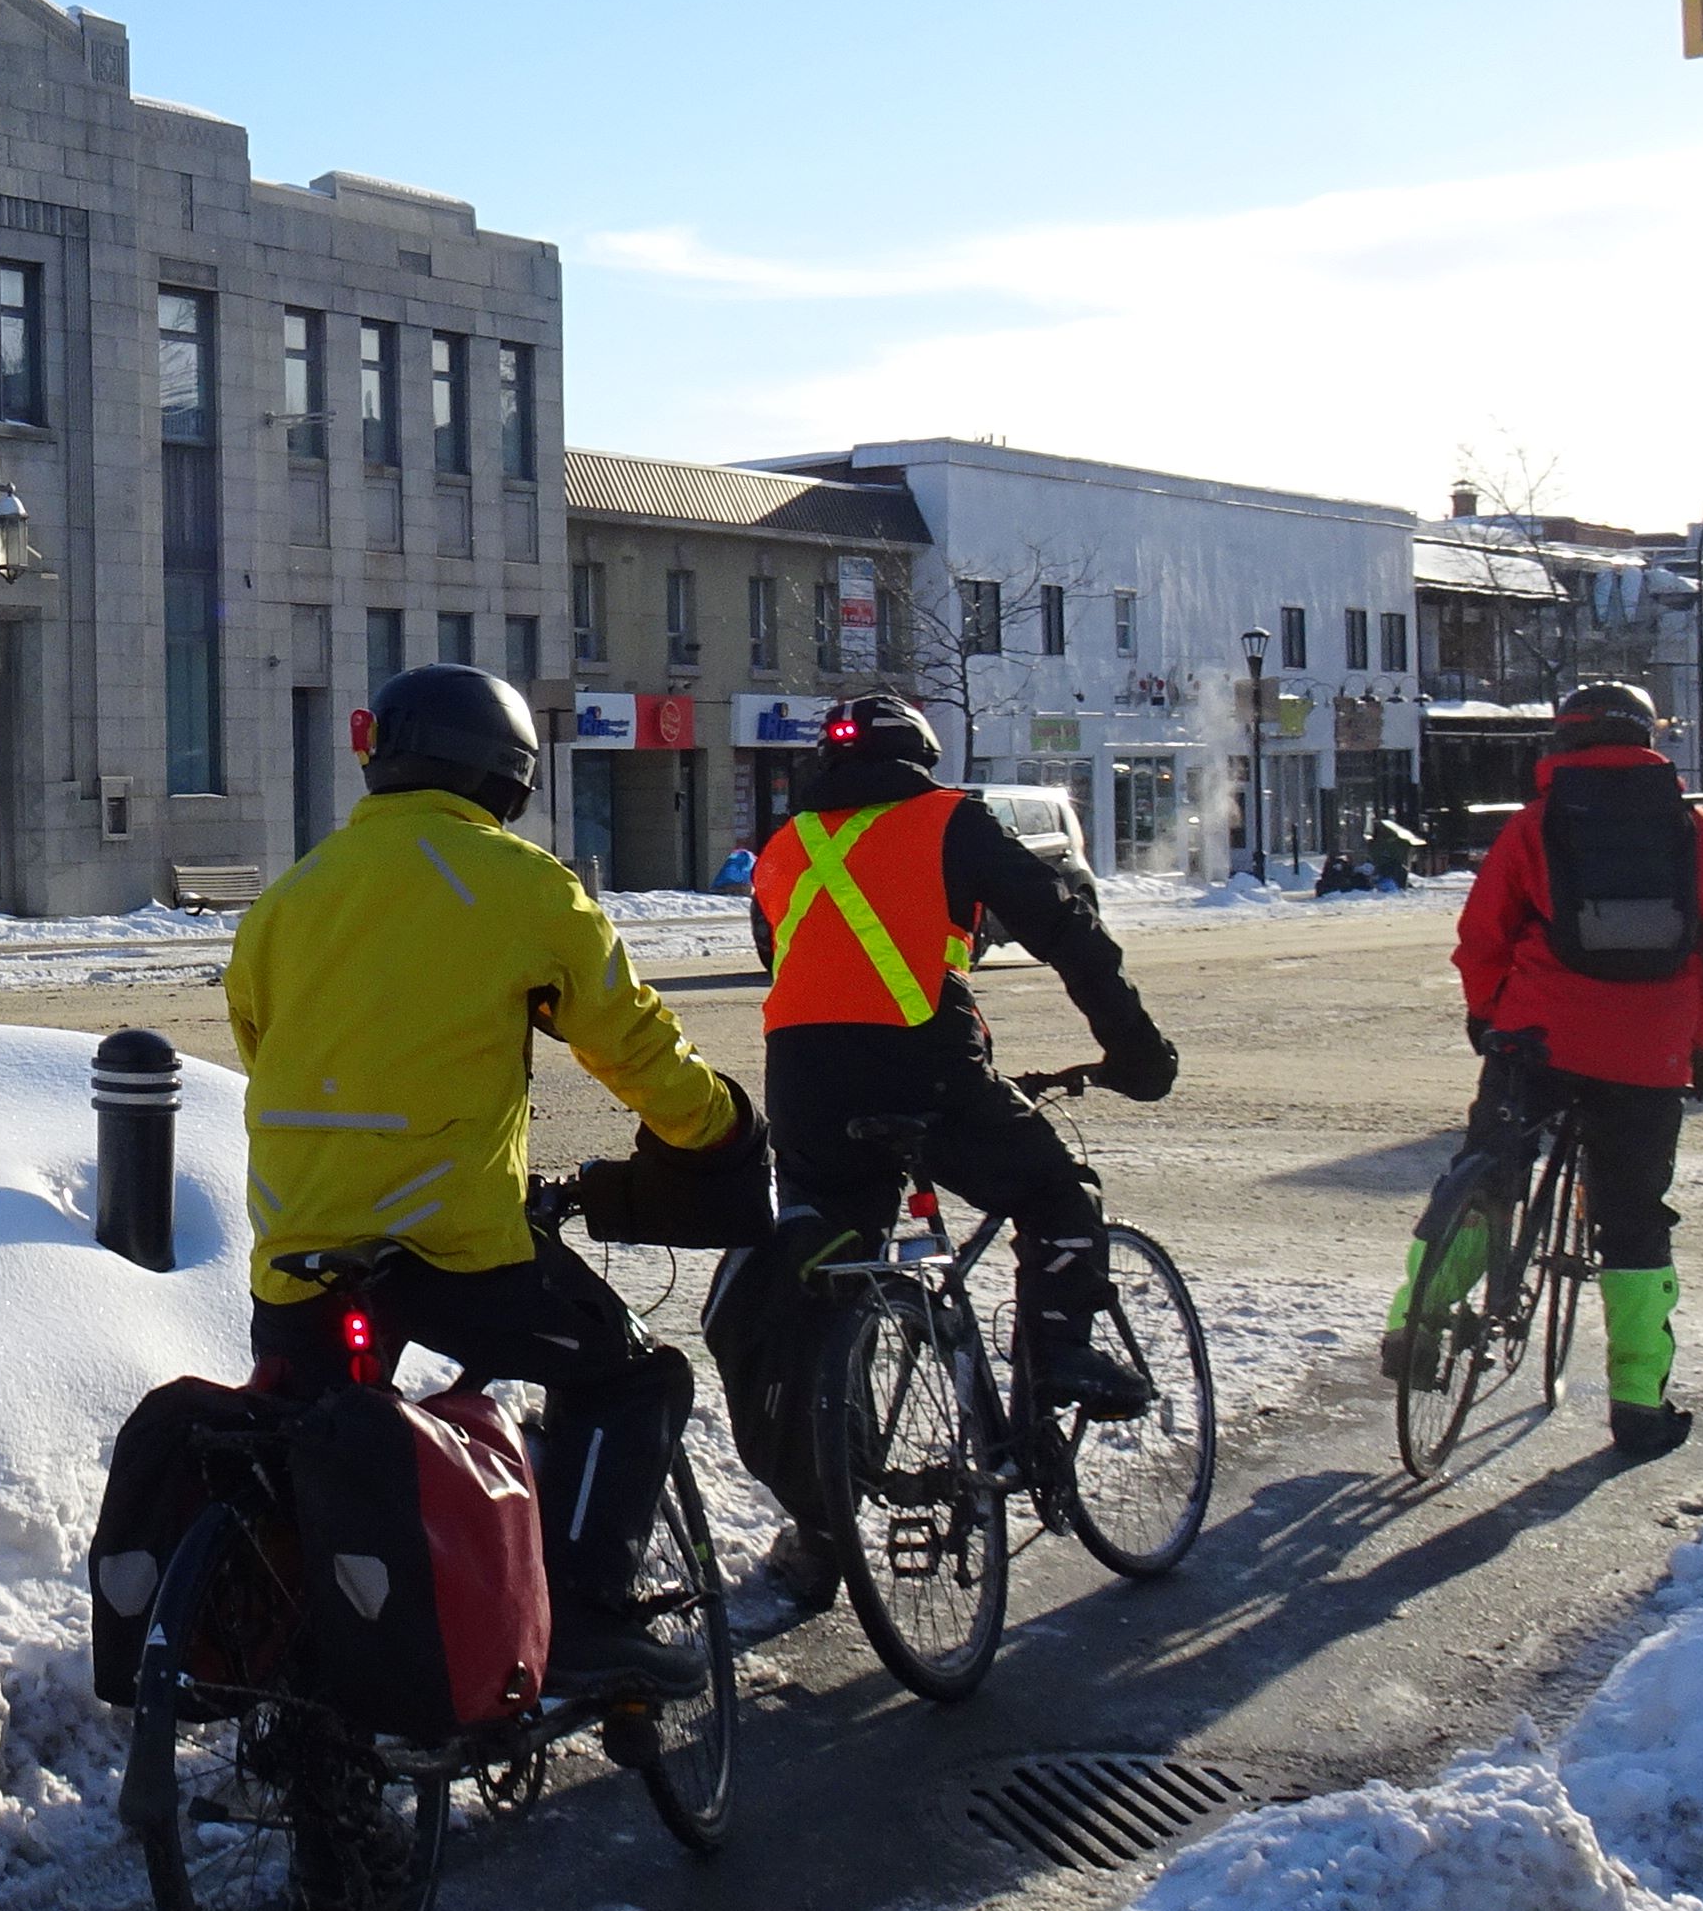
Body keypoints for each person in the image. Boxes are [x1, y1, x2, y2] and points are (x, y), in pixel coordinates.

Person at [222, 661, 758, 1698]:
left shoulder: (291, 897)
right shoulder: (521, 886)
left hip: (300, 1254)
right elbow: (632, 1046)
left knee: (316, 1453)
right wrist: (716, 1127)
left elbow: (260, 1043)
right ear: (505, 781)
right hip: (453, 1248)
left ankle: (313, 1707)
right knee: (629, 1377)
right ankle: (588, 1615)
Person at [747, 695, 1179, 1420]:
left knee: (832, 1274)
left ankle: (831, 1499)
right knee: (1056, 1195)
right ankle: (1060, 1354)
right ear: (919, 758)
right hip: (923, 1065)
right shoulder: (952, 820)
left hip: (802, 1085)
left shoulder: (785, 845)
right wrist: (1135, 1051)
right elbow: (1069, 932)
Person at [1400, 678, 1703, 1459]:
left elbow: (1482, 935)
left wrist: (1489, 1014)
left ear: (1561, 744)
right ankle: (1636, 1405)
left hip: (1539, 1039)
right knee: (1634, 1222)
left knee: (1488, 1172)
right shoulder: (1699, 836)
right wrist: (1688, 1036)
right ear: (1649, 740)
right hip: (1647, 1055)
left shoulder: (1535, 827)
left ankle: (1414, 1325)